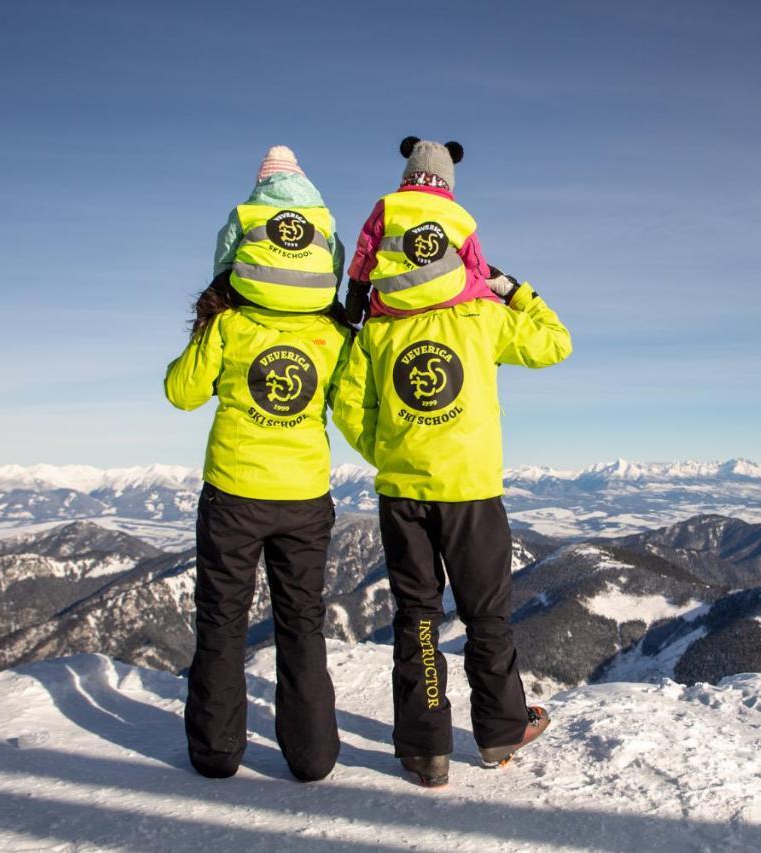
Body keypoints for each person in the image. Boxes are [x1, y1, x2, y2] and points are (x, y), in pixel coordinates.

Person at [333, 140, 572, 786]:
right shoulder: (483, 315)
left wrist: (389, 449)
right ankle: (499, 731)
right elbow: (556, 343)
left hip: (402, 491)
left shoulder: (377, 325)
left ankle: (425, 747)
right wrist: (517, 290)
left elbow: (346, 401)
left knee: (416, 617)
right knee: (486, 613)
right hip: (471, 489)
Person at [164, 145, 350, 782]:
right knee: (303, 624)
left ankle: (216, 754)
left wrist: (209, 319)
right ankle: (313, 757)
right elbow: (354, 412)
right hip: (304, 496)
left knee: (221, 622)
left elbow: (182, 393)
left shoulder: (230, 325)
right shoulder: (331, 333)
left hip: (234, 494)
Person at [340, 136, 495, 326]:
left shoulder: (388, 205)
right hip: (445, 293)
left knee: (378, 305)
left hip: (395, 297)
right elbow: (475, 262)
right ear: (448, 179)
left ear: (408, 174)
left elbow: (366, 252)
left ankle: (374, 328)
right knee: (486, 296)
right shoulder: (458, 214)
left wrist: (357, 289)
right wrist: (486, 284)